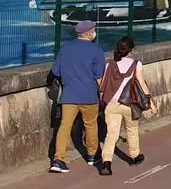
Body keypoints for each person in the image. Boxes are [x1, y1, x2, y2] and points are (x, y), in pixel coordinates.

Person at [49, 20, 106, 173]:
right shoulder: (96, 50)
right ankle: (92, 155)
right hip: (89, 95)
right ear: (89, 33)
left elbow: (55, 72)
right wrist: (103, 94)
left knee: (64, 126)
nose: (94, 32)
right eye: (93, 30)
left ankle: (58, 159)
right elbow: (99, 77)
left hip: (69, 96)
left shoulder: (65, 49)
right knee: (91, 125)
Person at [98, 36, 153, 176]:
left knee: (111, 134)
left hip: (112, 103)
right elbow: (141, 83)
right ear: (131, 50)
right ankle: (135, 156)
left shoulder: (109, 64)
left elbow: (103, 85)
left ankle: (106, 163)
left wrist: (102, 101)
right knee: (132, 130)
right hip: (129, 103)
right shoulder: (136, 64)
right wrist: (149, 101)